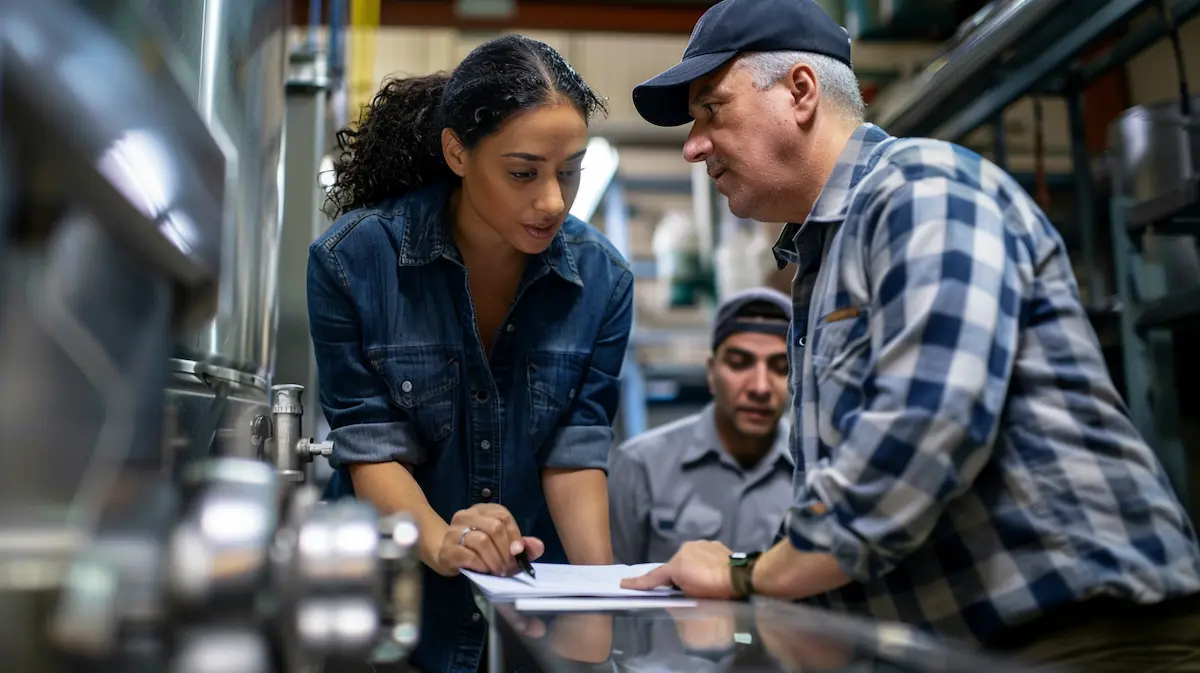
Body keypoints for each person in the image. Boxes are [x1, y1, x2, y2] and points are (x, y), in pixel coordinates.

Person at [618, 0, 1200, 669]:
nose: (694, 146)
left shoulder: (921, 188)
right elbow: (851, 491)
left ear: (800, 91)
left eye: (711, 109)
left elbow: (926, 422)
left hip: (1093, 641)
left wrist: (750, 574)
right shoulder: (826, 257)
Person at [308, 35, 630, 673]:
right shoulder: (352, 262)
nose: (553, 202)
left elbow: (575, 453)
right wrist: (444, 540)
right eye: (523, 172)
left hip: (525, 613)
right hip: (385, 610)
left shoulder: (603, 279)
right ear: (458, 152)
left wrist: (600, 601)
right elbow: (371, 445)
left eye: (569, 171)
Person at [608, 287, 794, 564]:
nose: (760, 387)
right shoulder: (641, 465)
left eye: (781, 367)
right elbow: (610, 585)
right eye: (739, 363)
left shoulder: (818, 473)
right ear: (711, 371)